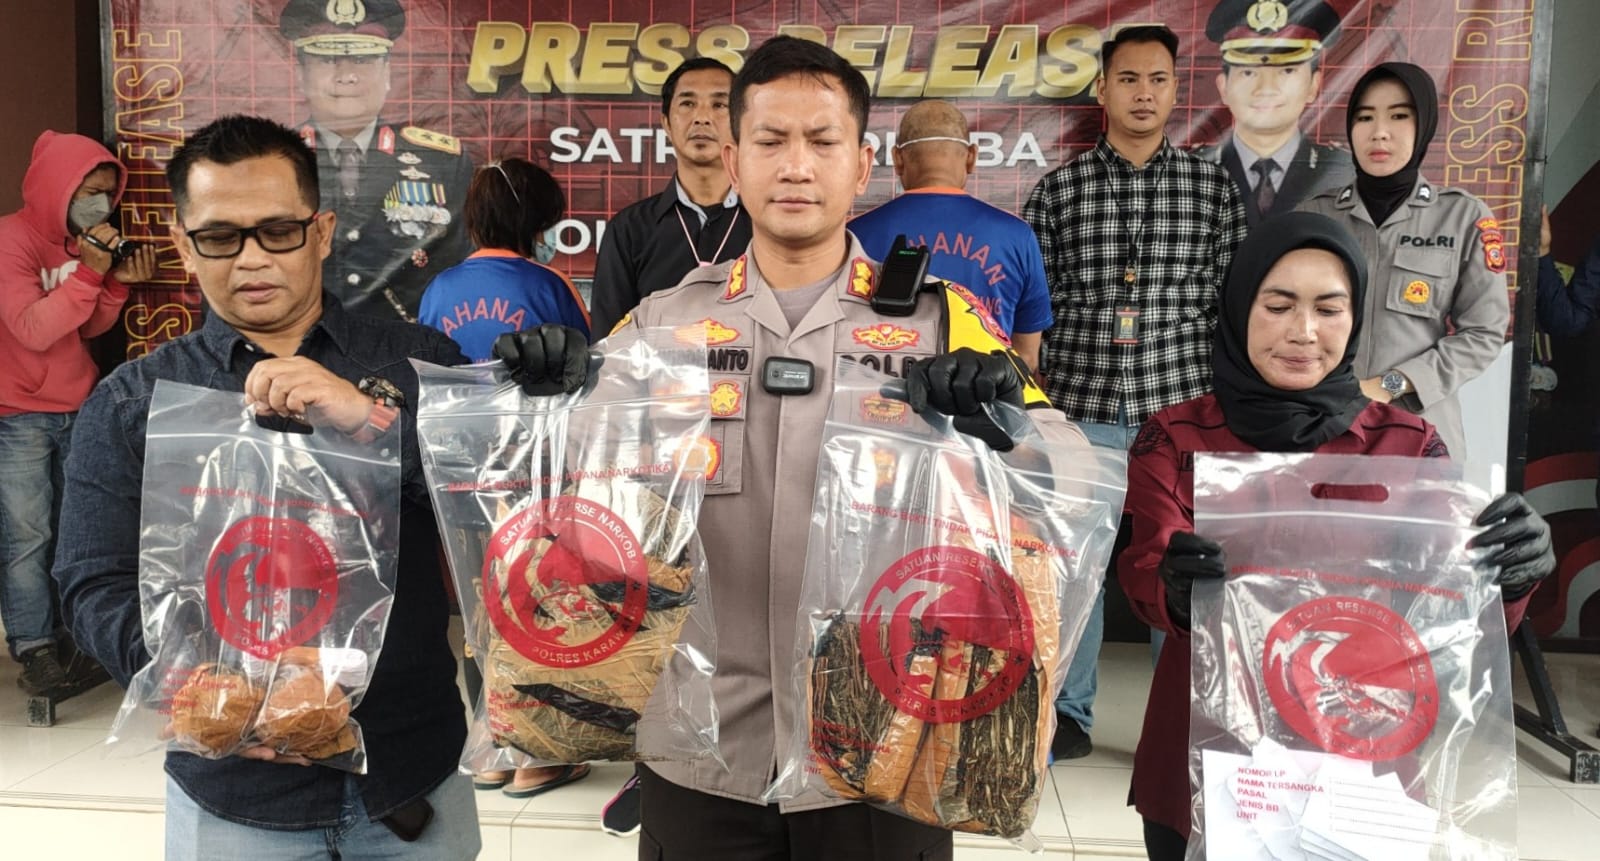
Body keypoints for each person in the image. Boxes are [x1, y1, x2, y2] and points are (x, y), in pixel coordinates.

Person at [493, 36, 1083, 861]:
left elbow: (1068, 479)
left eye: (822, 141)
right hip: (700, 751)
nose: (796, 166)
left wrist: (1002, 427)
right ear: (734, 162)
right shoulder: (663, 322)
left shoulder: (942, 320)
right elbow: (571, 498)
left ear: (863, 163)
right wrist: (546, 403)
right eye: (771, 141)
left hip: (881, 750)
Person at [52, 115, 478, 859]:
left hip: (412, 776)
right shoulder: (136, 401)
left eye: (278, 231)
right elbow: (92, 581)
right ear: (183, 244)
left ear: (322, 231)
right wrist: (202, 689)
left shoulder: (417, 364)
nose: (252, 257)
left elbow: (484, 518)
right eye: (220, 236)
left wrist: (372, 424)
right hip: (231, 795)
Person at [1117, 211, 1555, 860]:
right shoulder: (1176, 437)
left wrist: (1510, 574)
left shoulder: (1406, 445)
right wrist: (1175, 590)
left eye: (1328, 308)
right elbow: (1144, 572)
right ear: (1238, 310)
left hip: (1361, 760)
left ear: (1355, 319)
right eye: (1278, 306)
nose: (1303, 331)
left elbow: (1454, 615)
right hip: (1207, 755)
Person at [1022, 24, 1247, 760]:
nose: (1143, 94)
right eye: (1128, 79)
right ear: (1102, 89)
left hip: (1180, 410)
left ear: (1176, 91)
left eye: (1157, 79)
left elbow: (1233, 304)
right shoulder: (1060, 190)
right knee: (1076, 568)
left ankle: (1183, 718)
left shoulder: (1211, 187)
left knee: (1182, 569)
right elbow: (1034, 308)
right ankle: (1069, 715)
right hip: (1080, 408)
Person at [0, 131, 152, 694]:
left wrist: (115, 287)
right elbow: (33, 329)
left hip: (78, 405)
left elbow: (85, 329)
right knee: (26, 538)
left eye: (108, 193)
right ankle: (34, 648)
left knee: (74, 534)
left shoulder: (80, 242)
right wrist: (90, 273)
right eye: (89, 192)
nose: (100, 204)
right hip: (18, 414)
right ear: (55, 187)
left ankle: (76, 640)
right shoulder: (10, 240)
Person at [1298, 62, 1509, 459]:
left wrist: (1391, 385)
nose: (1379, 131)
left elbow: (1483, 334)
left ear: (1424, 126)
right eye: (1365, 117)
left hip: (1419, 433)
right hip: (1322, 427)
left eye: (1398, 116)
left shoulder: (1462, 217)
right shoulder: (1315, 216)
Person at [279, 0, 473, 322]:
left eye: (363, 59)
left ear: (387, 73)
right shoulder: (273, 160)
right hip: (302, 343)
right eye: (328, 59)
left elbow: (465, 272)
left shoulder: (441, 163)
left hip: (409, 344)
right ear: (301, 74)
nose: (347, 76)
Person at [848, 100, 1053, 372]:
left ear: (897, 159)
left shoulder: (854, 233)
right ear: (971, 157)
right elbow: (1026, 358)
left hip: (881, 393)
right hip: (983, 395)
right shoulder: (1017, 236)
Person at [590, 57, 752, 336]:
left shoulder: (767, 224)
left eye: (719, 105)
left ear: (741, 121)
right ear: (665, 122)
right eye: (688, 103)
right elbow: (609, 342)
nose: (702, 117)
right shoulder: (629, 230)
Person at [1195, 0, 1354, 228]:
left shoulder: (1344, 172)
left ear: (1314, 85)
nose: (1266, 89)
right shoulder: (1189, 173)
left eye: (1286, 71)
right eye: (1248, 72)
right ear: (1223, 87)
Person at [419, 158, 591, 361]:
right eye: (547, 223)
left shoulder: (438, 290)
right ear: (534, 221)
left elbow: (425, 366)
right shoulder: (551, 285)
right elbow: (586, 364)